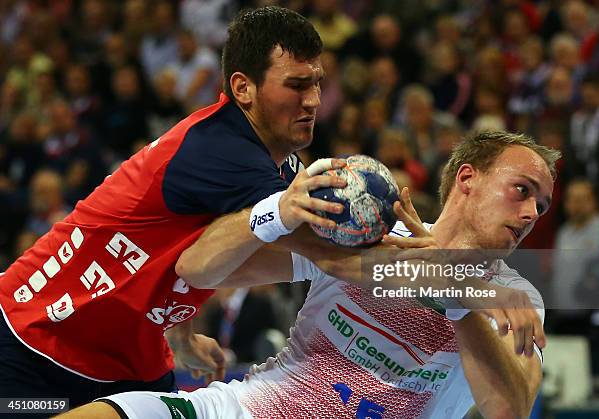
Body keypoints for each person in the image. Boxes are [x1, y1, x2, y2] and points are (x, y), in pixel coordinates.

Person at [58, 131, 560, 418]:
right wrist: (276, 211)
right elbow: (195, 265)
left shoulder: (517, 297)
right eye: (522, 189)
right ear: (468, 178)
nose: (534, 210)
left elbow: (509, 410)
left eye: (542, 202)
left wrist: (458, 296)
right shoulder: (364, 232)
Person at [0, 6, 345, 410]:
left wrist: (180, 332)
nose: (314, 100)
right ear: (243, 87)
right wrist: (434, 269)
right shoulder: (226, 153)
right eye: (297, 85)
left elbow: (191, 248)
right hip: (37, 340)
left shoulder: (276, 165)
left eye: (317, 83)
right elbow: (337, 254)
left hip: (132, 362)